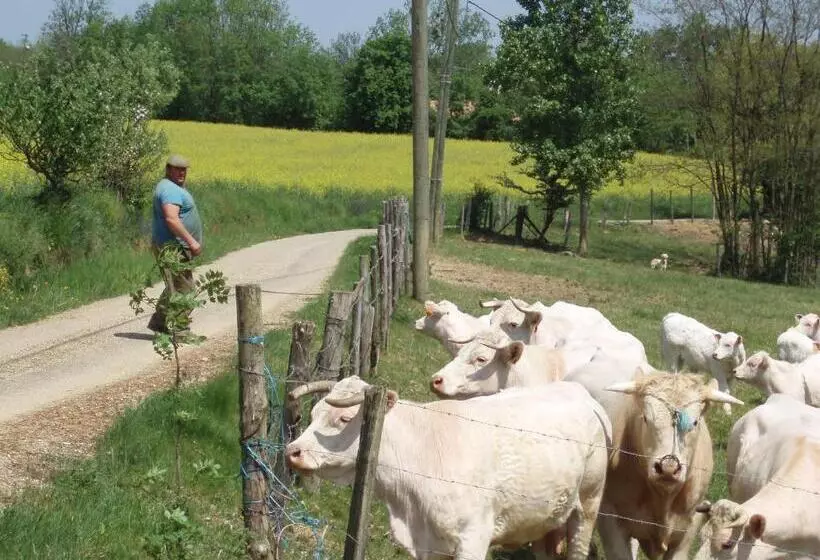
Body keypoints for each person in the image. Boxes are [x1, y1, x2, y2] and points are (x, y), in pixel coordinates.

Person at [147, 154, 204, 335]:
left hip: (170, 246)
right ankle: (180, 329)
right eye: (177, 169)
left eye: (184, 169)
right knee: (186, 289)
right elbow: (171, 219)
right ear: (168, 169)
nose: (181, 173)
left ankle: (159, 322)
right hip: (172, 247)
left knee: (174, 286)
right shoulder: (170, 190)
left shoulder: (169, 187)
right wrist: (192, 241)